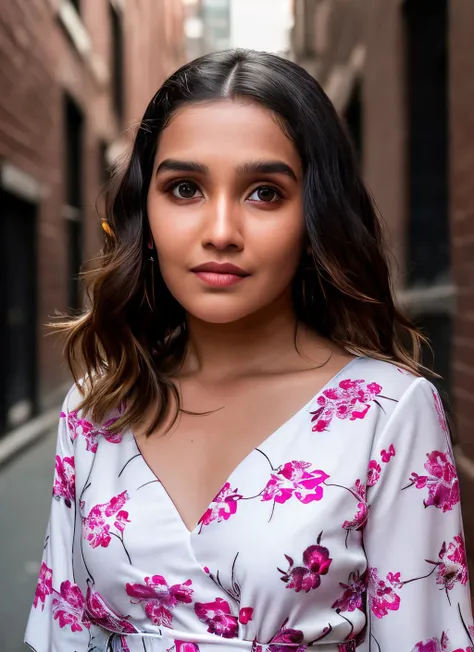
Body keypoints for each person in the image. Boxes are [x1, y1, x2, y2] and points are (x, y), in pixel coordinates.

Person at [25, 49, 473, 652]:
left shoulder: (387, 413)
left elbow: (425, 638)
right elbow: (64, 634)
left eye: (264, 193)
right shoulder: (98, 404)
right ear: (145, 214)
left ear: (314, 214)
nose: (220, 231)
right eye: (184, 188)